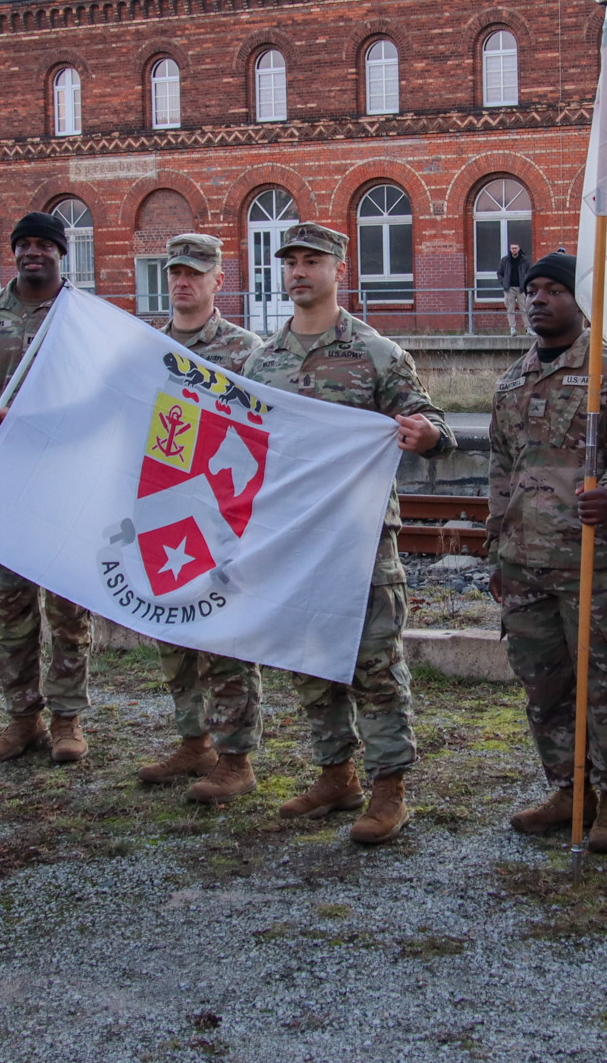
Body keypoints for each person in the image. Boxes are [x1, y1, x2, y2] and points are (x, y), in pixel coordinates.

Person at [240, 223, 454, 845]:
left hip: (359, 539)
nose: (300, 272)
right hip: (292, 536)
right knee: (308, 657)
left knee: (375, 662)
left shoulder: (376, 353)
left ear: (339, 269)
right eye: (292, 263)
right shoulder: (263, 360)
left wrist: (430, 436)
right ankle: (336, 774)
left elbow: (434, 420)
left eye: (313, 261)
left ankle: (390, 791)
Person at [487, 252, 607, 853]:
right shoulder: (512, 380)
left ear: (579, 299)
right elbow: (502, 471)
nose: (538, 298)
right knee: (545, 686)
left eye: (553, 290)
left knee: (606, 684)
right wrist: (496, 553)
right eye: (531, 289)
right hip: (525, 562)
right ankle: (567, 788)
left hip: (592, 561)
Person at [0, 212, 94, 766]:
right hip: (5, 483)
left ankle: (66, 720)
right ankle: (23, 718)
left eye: (45, 245)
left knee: (67, 608)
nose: (33, 253)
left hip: (64, 481)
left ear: (63, 255)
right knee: (12, 606)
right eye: (24, 245)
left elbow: (100, 403)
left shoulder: (84, 318)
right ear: (12, 254)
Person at [137, 233, 267, 805]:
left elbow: (273, 430)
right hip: (162, 508)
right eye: (175, 273)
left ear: (219, 281)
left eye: (196, 273)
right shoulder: (146, 347)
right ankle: (194, 740)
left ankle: (235, 757)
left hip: (222, 514)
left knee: (224, 637)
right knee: (172, 629)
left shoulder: (248, 351)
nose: (183, 283)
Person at [496, 240, 533, 336]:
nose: (514, 250)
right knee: (510, 309)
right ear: (510, 249)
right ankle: (512, 328)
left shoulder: (524, 260)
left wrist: (526, 284)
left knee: (524, 308)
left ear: (519, 249)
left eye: (516, 248)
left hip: (521, 288)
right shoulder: (505, 260)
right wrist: (503, 283)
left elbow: (530, 273)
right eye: (512, 248)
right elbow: (499, 273)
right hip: (509, 288)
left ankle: (528, 328)